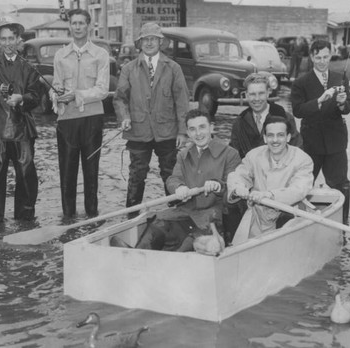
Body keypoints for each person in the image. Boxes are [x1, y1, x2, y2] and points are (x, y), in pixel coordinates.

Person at [112, 109, 241, 251]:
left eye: (202, 127)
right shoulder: (183, 155)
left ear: (211, 127)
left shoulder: (230, 154)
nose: (198, 134)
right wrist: (179, 187)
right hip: (185, 213)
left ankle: (143, 260)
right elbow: (173, 179)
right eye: (192, 129)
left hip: (213, 219)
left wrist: (218, 186)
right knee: (156, 226)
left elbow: (234, 189)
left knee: (186, 246)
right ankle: (135, 255)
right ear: (188, 132)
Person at [113, 22, 189, 212]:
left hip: (168, 132)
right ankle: (131, 216)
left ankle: (176, 212)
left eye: (153, 39)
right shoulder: (128, 69)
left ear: (160, 42)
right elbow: (120, 98)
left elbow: (182, 102)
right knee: (137, 174)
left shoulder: (173, 68)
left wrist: (182, 131)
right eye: (145, 39)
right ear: (139, 43)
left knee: (170, 173)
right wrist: (124, 117)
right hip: (138, 131)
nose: (149, 43)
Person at [0, 17, 40, 223]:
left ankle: (25, 218)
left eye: (11, 38)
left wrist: (22, 99)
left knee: (27, 177)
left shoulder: (29, 67)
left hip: (23, 131)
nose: (8, 43)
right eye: (3, 39)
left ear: (18, 39)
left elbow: (36, 96)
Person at [50, 8, 110, 220]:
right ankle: (68, 218)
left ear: (89, 25)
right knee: (67, 173)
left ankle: (92, 217)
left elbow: (103, 90)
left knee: (91, 171)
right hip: (66, 121)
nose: (77, 27)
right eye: (74, 23)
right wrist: (55, 95)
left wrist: (77, 94)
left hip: (92, 120)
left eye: (81, 23)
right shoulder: (60, 55)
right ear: (70, 26)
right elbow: (56, 85)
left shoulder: (101, 54)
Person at [291, 39, 350, 225]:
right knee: (304, 185)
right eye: (318, 57)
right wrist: (319, 100)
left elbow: (348, 107)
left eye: (326, 57)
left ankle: (343, 224)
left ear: (331, 55)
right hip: (312, 143)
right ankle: (301, 223)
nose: (322, 61)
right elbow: (297, 111)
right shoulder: (301, 82)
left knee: (341, 184)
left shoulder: (339, 77)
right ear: (311, 57)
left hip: (336, 142)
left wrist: (342, 103)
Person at [227, 116, 313, 241]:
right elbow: (238, 175)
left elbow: (298, 190)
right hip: (259, 216)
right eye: (270, 135)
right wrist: (238, 188)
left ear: (288, 137)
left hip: (290, 216)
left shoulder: (303, 159)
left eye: (280, 135)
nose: (275, 140)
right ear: (265, 138)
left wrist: (269, 195)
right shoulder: (254, 155)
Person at [230, 73, 303, 159]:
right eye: (252, 94)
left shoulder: (285, 118)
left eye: (261, 93)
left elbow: (297, 151)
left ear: (268, 93)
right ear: (246, 95)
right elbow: (233, 155)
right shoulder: (239, 123)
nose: (257, 99)